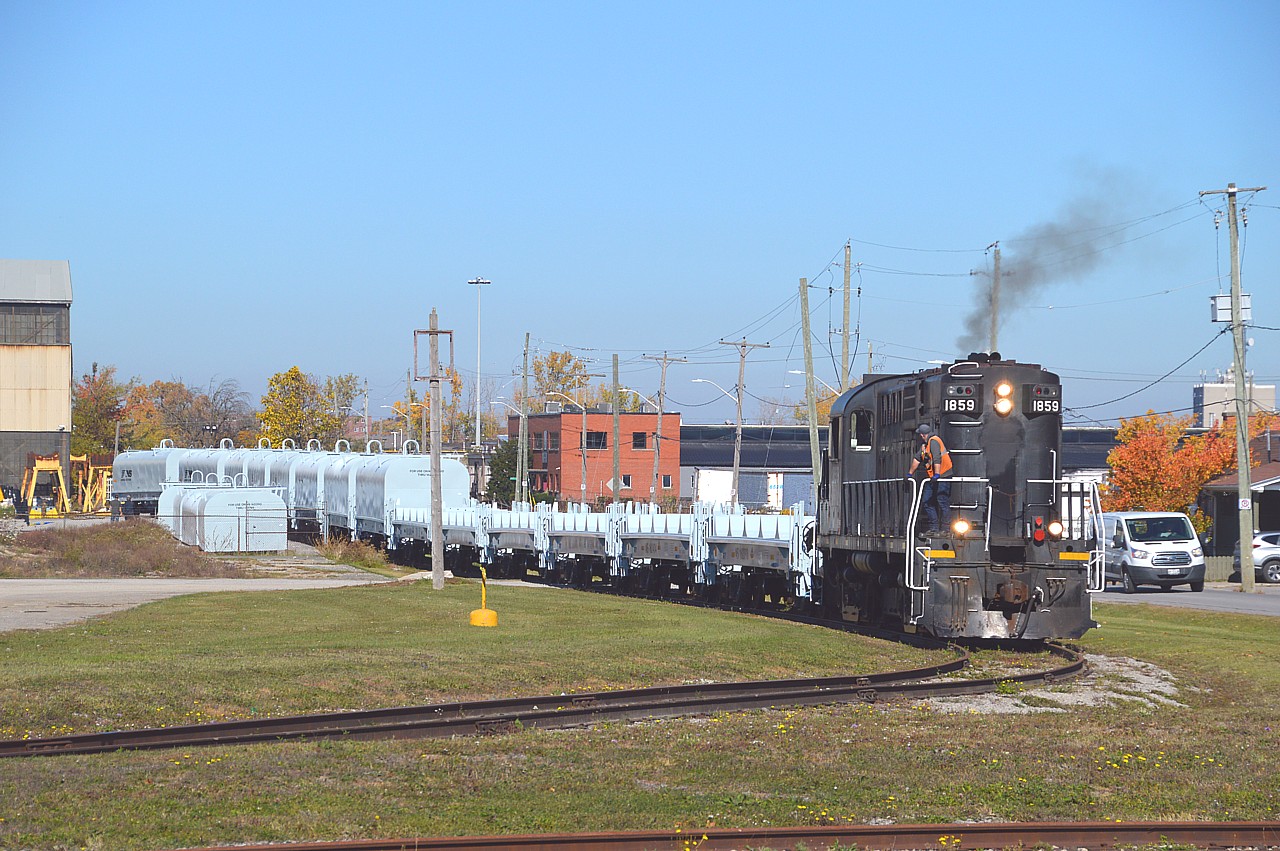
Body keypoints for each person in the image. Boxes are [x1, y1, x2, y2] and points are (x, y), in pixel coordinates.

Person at [908, 423, 952, 536]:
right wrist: (909, 474)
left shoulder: (934, 441)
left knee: (942, 500)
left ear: (922, 435)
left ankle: (946, 529)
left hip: (943, 475)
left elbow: (937, 458)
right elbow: (917, 459)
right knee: (926, 501)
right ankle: (934, 529)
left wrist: (937, 474)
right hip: (933, 478)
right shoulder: (924, 446)